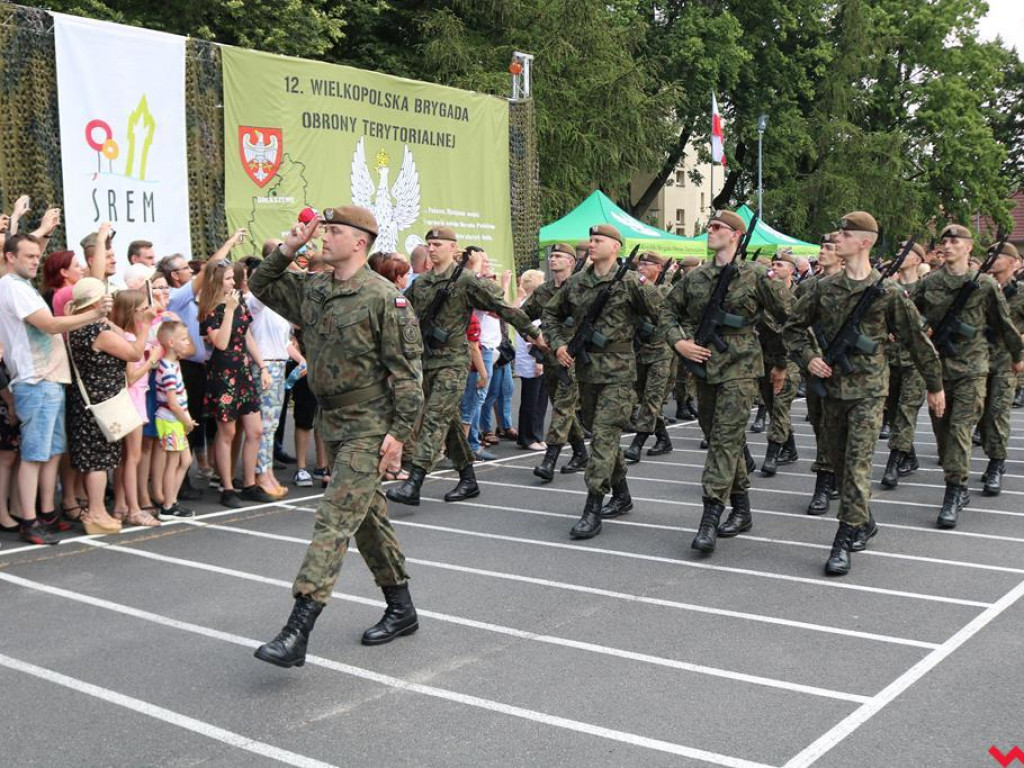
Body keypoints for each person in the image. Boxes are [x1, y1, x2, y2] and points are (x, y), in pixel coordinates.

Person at [249, 206, 424, 668]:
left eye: (333, 232)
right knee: (367, 521)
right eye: (322, 230)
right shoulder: (315, 288)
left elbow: (407, 376)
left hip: (369, 424)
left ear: (359, 242)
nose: (323, 238)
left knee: (333, 519)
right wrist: (289, 246)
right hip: (333, 424)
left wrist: (399, 436)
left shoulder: (384, 297)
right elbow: (260, 284)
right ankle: (402, 608)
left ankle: (297, 629)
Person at [784, 211, 945, 575]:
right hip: (831, 391)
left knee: (857, 463)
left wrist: (935, 386)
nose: (836, 238)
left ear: (865, 242)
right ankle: (864, 520)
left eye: (844, 233)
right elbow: (792, 329)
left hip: (870, 390)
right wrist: (809, 358)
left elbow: (918, 343)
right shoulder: (823, 289)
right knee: (839, 464)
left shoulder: (888, 293)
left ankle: (844, 537)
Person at [659, 210, 789, 553]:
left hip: (741, 368)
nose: (710, 231)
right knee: (717, 437)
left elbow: (789, 317)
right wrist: (679, 341)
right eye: (710, 226)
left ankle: (710, 517)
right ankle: (742, 509)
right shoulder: (697, 277)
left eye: (717, 227)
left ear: (736, 235)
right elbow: (666, 311)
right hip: (704, 368)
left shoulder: (756, 275)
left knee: (724, 442)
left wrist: (782, 362)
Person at [387, 227, 546, 506]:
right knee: (447, 422)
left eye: (438, 244)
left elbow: (503, 307)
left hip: (453, 361)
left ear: (453, 249)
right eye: (429, 244)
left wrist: (532, 334)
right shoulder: (421, 284)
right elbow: (399, 314)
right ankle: (468, 479)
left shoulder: (467, 281)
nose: (432, 248)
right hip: (426, 360)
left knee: (434, 417)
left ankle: (414, 483)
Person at [544, 224, 662, 539]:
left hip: (620, 373)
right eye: (591, 240)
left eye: (598, 241)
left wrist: (657, 346)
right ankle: (622, 495)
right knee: (602, 436)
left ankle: (593, 506)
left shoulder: (630, 282)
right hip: (587, 371)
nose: (591, 245)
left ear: (616, 247)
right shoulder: (578, 282)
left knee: (603, 437)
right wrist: (558, 344)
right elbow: (551, 314)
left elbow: (663, 314)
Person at [0, 235, 112, 544]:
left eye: (38, 255)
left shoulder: (23, 287)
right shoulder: (11, 287)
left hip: (49, 379)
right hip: (35, 380)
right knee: (34, 455)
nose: (36, 260)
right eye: (29, 255)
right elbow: (48, 325)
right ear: (10, 257)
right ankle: (29, 520)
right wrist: (93, 314)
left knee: (50, 454)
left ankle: (47, 514)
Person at [911, 225, 1023, 527]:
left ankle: (955, 490)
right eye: (944, 241)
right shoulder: (930, 282)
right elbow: (908, 312)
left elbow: (1003, 323)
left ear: (968, 247)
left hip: (973, 369)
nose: (947, 246)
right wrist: (922, 327)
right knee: (943, 433)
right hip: (938, 369)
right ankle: (956, 478)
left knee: (961, 430)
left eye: (955, 241)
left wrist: (1017, 356)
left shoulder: (983, 284)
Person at [67, 278, 156, 534]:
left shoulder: (79, 327)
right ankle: (96, 512)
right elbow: (134, 354)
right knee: (97, 460)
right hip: (101, 401)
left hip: (89, 401)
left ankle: (97, 510)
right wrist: (146, 325)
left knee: (95, 457)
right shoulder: (97, 332)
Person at [197, 257, 272, 508]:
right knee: (227, 432)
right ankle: (227, 488)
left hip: (243, 370)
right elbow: (220, 342)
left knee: (255, 430)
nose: (234, 282)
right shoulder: (209, 307)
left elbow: (247, 335)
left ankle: (249, 483)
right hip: (222, 373)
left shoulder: (239, 302)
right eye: (229, 278)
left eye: (233, 278)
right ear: (217, 281)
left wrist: (262, 366)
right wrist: (228, 310)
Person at [523, 243, 589, 481]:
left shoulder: (582, 288)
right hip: (549, 357)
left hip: (573, 359)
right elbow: (522, 315)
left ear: (571, 262)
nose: (553, 260)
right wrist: (531, 334)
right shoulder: (543, 291)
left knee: (562, 407)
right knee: (564, 409)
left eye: (559, 256)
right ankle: (581, 453)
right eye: (552, 256)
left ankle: (549, 459)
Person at [974, 242, 1024, 496]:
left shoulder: (1022, 292)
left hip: (1006, 361)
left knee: (998, 410)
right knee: (979, 412)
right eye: (990, 255)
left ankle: (997, 462)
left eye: (999, 256)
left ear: (1014, 263)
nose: (993, 259)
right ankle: (992, 452)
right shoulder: (981, 287)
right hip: (979, 359)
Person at [109, 288, 161, 527]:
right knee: (133, 457)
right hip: (133, 397)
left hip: (135, 397)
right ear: (132, 313)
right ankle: (133, 508)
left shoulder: (126, 335)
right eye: (142, 309)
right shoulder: (129, 338)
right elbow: (131, 376)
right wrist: (151, 361)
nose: (147, 312)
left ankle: (121, 504)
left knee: (126, 457)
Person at [800, 233, 844, 514]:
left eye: (829, 247)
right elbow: (792, 323)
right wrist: (806, 357)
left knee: (837, 428)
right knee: (819, 424)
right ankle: (833, 474)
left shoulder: (857, 285)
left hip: (847, 370)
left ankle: (825, 483)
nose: (822, 251)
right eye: (821, 246)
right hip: (815, 366)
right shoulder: (809, 287)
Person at [880, 241, 927, 489]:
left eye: (905, 253)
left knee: (907, 410)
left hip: (915, 361)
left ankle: (894, 463)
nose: (899, 256)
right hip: (891, 359)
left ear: (918, 260)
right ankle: (910, 456)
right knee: (894, 411)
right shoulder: (889, 288)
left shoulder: (926, 288)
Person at [245, 258, 292, 499]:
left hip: (278, 365)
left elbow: (285, 342)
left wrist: (302, 360)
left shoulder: (277, 308)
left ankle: (268, 471)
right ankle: (260, 473)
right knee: (263, 425)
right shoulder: (251, 302)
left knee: (271, 425)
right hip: (263, 366)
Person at [757, 250, 800, 475]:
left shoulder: (799, 293)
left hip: (789, 359)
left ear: (791, 270)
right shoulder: (765, 295)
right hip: (765, 357)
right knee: (773, 406)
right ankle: (790, 448)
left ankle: (772, 454)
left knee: (780, 402)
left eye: (780, 264)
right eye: (773, 264)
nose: (775, 267)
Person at [154, 321, 198, 520]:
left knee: (185, 460)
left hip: (176, 420)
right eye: (183, 339)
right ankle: (168, 505)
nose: (187, 342)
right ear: (171, 343)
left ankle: (171, 501)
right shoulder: (168, 369)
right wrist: (186, 421)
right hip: (170, 420)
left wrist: (185, 419)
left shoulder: (173, 364)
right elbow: (172, 402)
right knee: (173, 462)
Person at [513, 269, 548, 449]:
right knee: (531, 400)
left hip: (538, 358)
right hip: (531, 358)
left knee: (541, 400)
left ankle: (538, 434)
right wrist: (539, 361)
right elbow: (535, 336)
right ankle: (527, 437)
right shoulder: (528, 307)